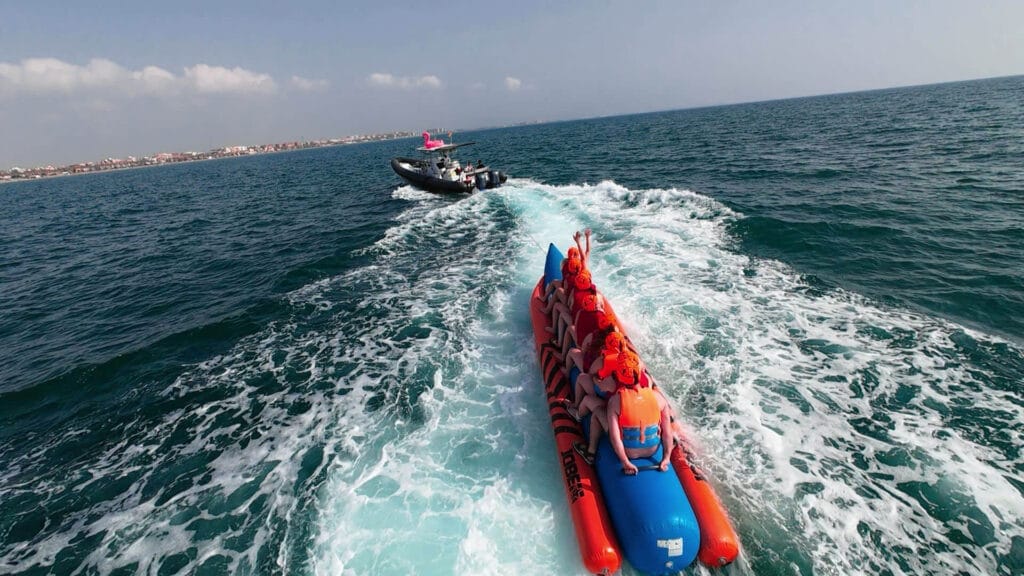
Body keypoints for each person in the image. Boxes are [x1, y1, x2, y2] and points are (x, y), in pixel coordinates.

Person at [574, 352, 672, 474]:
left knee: (598, 412)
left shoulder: (615, 401)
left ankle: (590, 452)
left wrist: (626, 462)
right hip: (653, 449)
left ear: (619, 375)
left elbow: (615, 438)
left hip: (628, 451)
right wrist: (666, 458)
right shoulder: (658, 397)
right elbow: (667, 432)